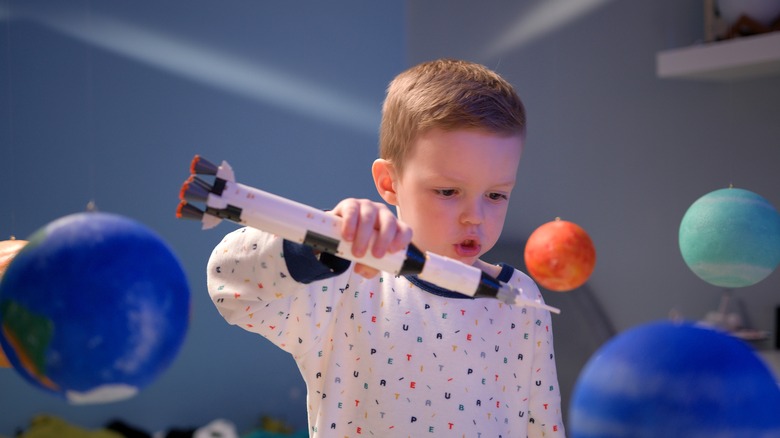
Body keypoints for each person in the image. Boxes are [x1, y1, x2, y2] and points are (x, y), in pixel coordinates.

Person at [206, 58, 565, 437]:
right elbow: (229, 285)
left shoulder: (521, 301)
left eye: (495, 194)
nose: (474, 216)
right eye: (447, 191)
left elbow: (542, 427)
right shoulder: (342, 283)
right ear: (389, 182)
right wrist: (326, 238)